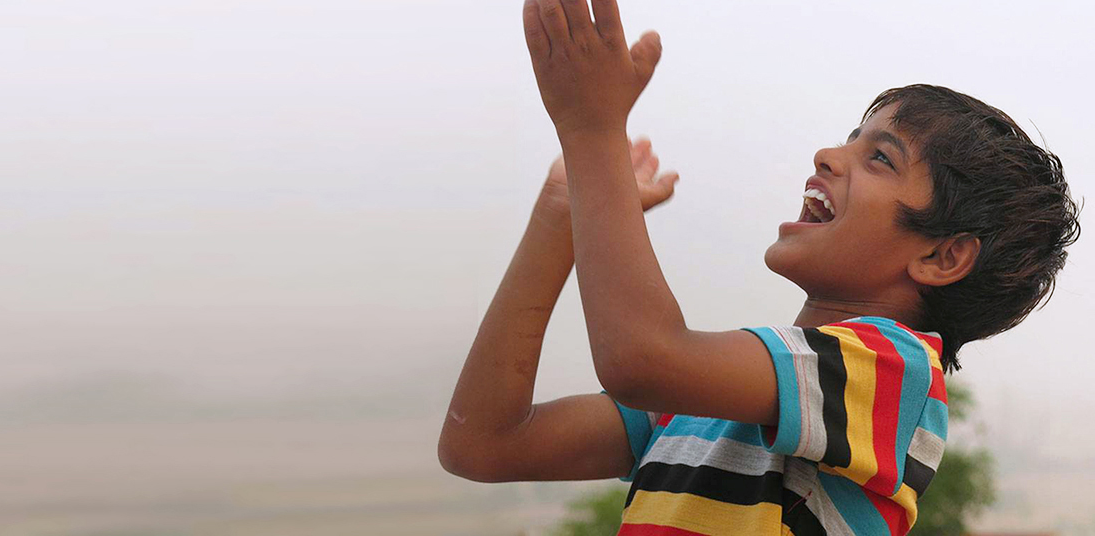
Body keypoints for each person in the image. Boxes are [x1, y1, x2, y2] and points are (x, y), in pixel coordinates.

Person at [437, 0, 1081, 534]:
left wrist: (593, 133)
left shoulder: (897, 375)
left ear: (943, 256)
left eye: (880, 157)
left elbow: (640, 357)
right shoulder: (701, 404)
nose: (828, 154)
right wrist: (559, 216)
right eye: (849, 137)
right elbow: (483, 444)